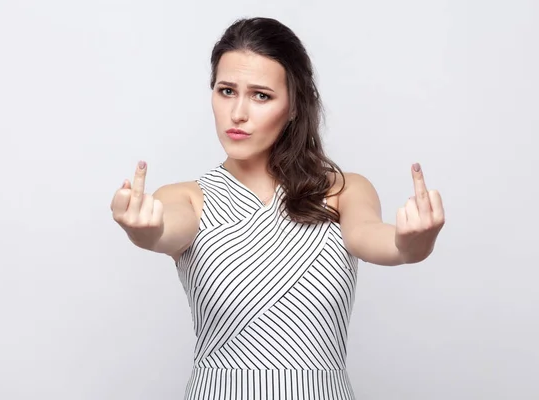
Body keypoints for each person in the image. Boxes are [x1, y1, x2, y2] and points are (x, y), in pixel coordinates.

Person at [110, 17, 445, 400]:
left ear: (293, 106)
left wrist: (415, 241)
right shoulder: (187, 198)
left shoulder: (341, 190)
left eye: (261, 95)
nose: (238, 113)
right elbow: (166, 228)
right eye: (226, 91)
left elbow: (379, 240)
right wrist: (142, 229)